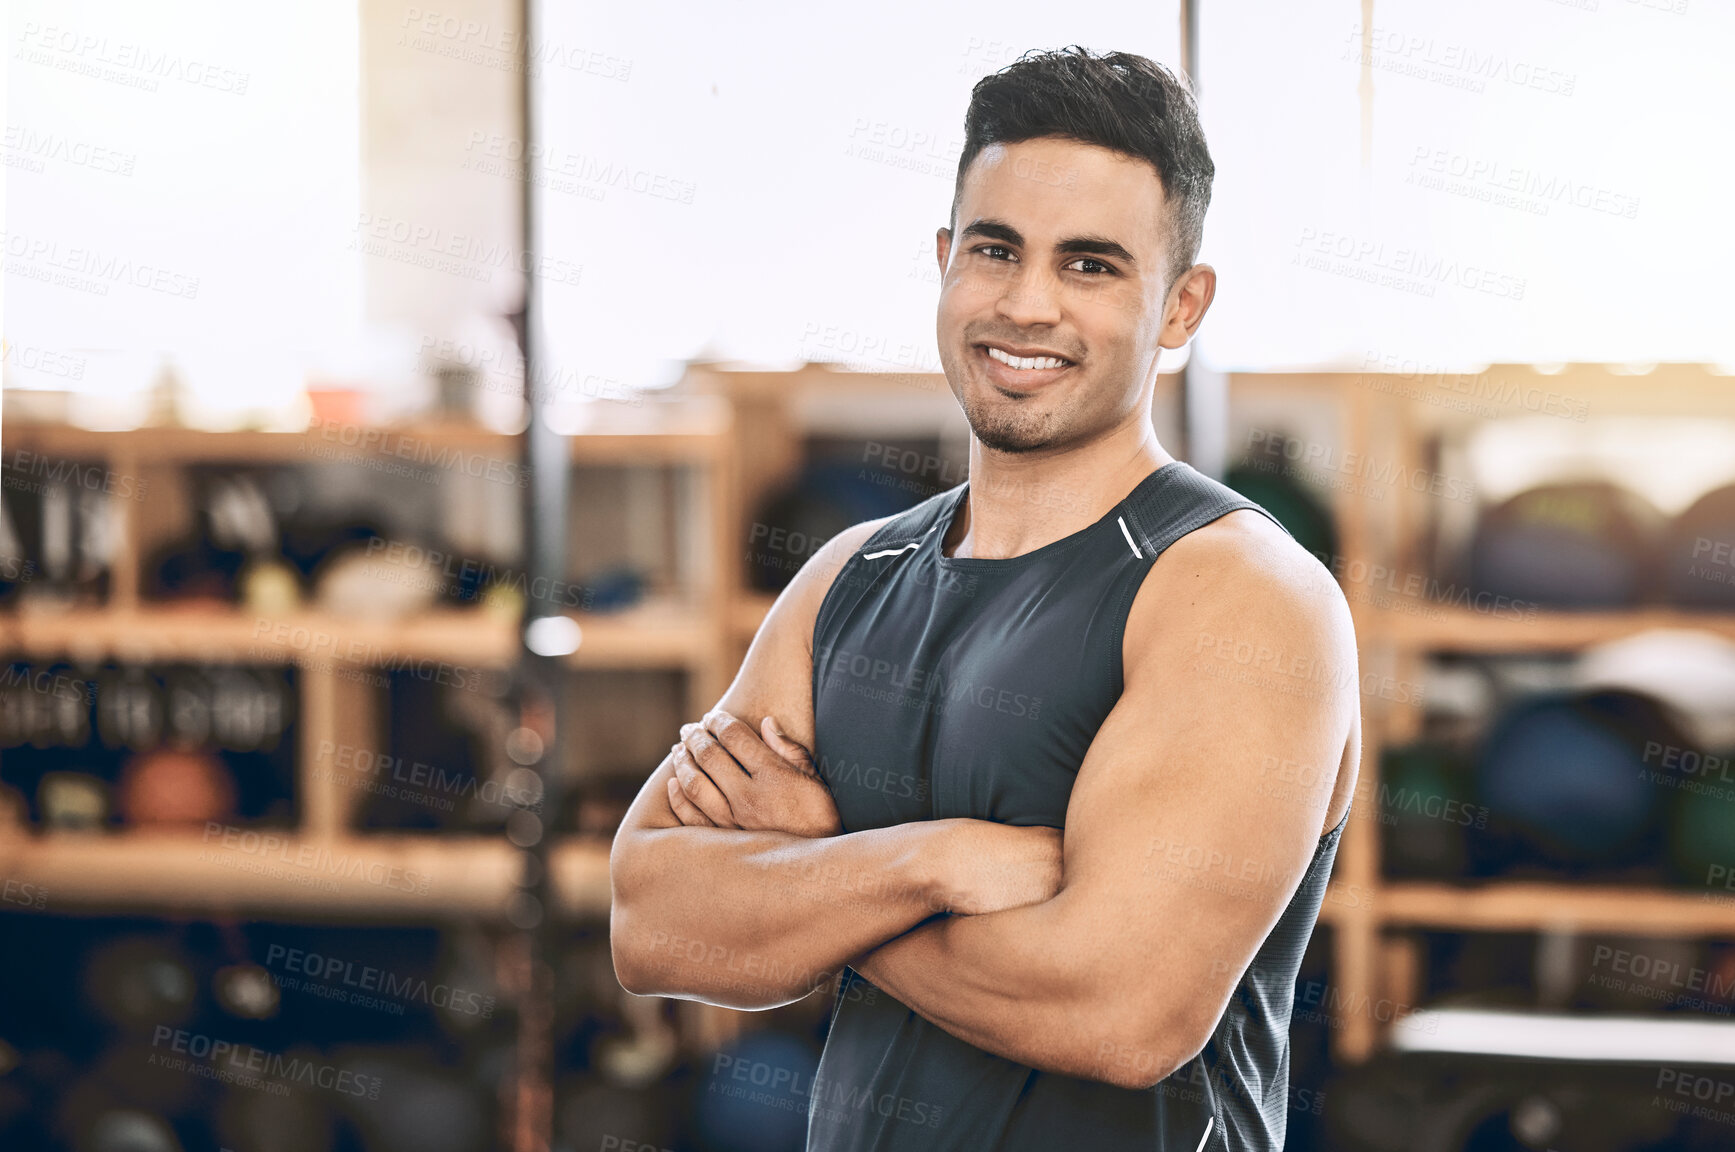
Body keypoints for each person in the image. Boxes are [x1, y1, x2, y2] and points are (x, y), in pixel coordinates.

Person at [610, 45, 1360, 1151]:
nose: (1026, 304)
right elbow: (654, 921)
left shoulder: (1237, 596)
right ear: (944, 258)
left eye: (1091, 266)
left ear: (1181, 305)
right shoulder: (848, 578)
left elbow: (1115, 1009)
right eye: (995, 250)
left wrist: (818, 873)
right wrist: (925, 861)